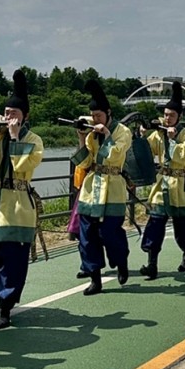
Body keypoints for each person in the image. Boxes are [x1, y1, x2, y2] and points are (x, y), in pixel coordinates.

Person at [0, 70, 44, 329]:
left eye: (14, 114)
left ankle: (4, 306)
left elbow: (22, 166)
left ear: (25, 116)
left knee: (14, 259)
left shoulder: (34, 140)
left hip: (18, 204)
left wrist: (15, 137)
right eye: (7, 113)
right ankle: (3, 287)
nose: (9, 118)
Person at [72, 79, 132, 295]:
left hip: (113, 187)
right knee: (87, 235)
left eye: (99, 116)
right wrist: (81, 138)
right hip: (91, 188)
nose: (95, 120)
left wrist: (106, 135)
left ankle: (121, 261)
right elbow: (85, 162)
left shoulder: (123, 131)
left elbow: (116, 154)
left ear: (108, 113)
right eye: (93, 116)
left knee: (110, 232)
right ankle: (95, 278)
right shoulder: (92, 135)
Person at [139, 81, 185, 278]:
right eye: (165, 115)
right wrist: (142, 137)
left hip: (180, 186)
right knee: (155, 223)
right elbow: (147, 152)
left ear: (179, 117)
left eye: (171, 115)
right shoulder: (159, 134)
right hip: (162, 184)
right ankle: (152, 264)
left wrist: (173, 140)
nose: (167, 118)